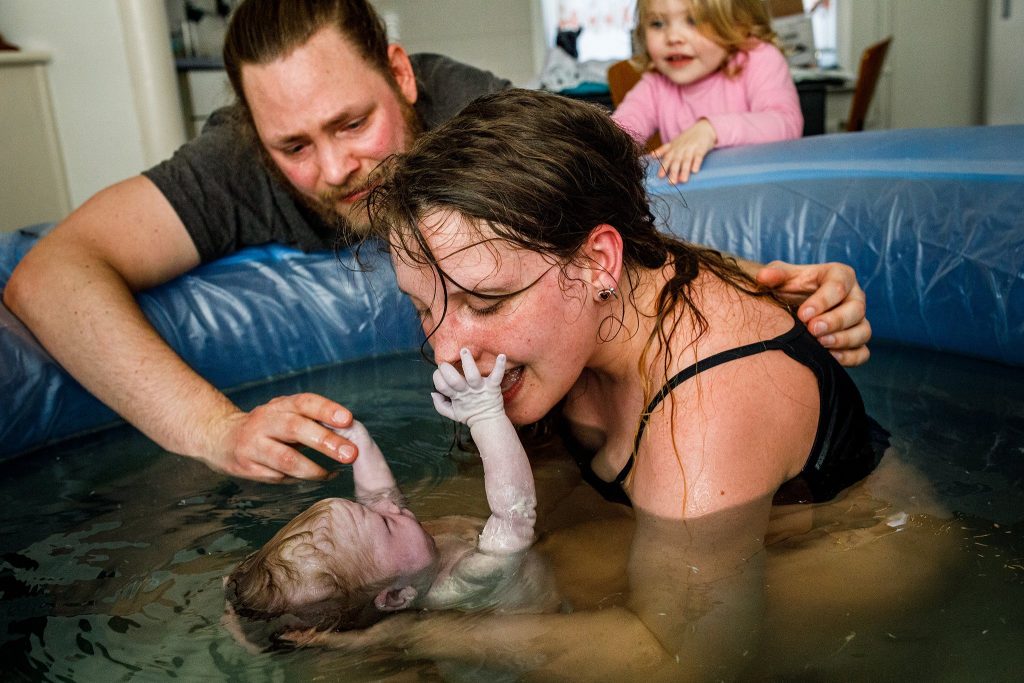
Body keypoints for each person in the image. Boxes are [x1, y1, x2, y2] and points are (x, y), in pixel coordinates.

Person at [2, 0, 868, 485]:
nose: (337, 168)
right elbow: (50, 275)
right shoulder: (238, 162)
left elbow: (612, 227)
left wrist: (761, 291)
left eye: (353, 122)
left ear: (403, 75)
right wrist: (212, 428)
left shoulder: (478, 118)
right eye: (292, 146)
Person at [292, 89, 889, 677]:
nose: (446, 351)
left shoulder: (706, 412)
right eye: (423, 307)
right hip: (646, 512)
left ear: (598, 260)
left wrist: (414, 636)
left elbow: (683, 661)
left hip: (845, 551)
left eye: (487, 301)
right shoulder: (600, 291)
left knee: (540, 576)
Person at [225, 350, 558, 648]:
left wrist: (356, 439)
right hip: (534, 639)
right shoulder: (463, 581)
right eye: (384, 522)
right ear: (397, 596)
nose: (387, 505)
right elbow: (514, 515)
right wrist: (485, 415)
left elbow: (378, 496)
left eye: (365, 509)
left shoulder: (398, 560)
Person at [613, 0, 803, 184]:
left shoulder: (759, 58)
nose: (673, 38)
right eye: (657, 23)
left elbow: (787, 123)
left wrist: (711, 130)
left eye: (693, 20)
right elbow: (617, 134)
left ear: (738, 23)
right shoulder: (656, 82)